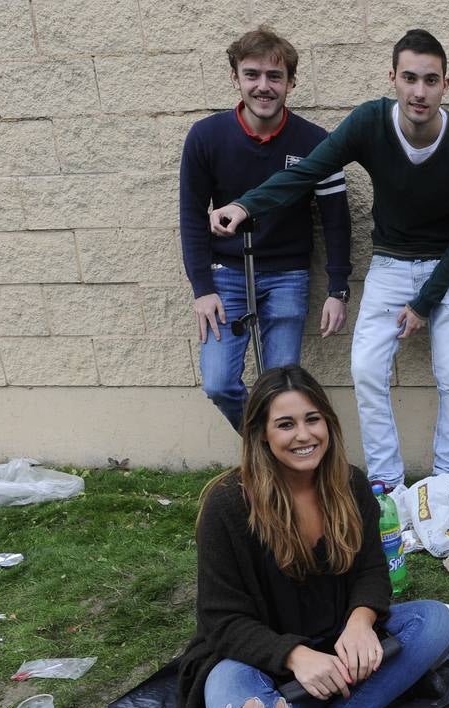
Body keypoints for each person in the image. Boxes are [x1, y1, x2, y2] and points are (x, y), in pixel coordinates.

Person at [211, 29, 449, 494]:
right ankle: (387, 482)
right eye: (410, 78)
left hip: (447, 267)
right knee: (365, 370)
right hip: (390, 264)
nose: (419, 91)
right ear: (393, 79)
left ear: (446, 84)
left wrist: (423, 304)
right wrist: (245, 207)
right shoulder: (369, 123)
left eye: (430, 80)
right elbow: (307, 171)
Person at [175, 365, 449, 708]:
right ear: (260, 435)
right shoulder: (228, 505)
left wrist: (361, 621)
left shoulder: (349, 484)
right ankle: (379, 689)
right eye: (285, 424)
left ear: (328, 423)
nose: (303, 436)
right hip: (258, 658)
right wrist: (296, 657)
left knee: (435, 622)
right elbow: (221, 620)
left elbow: (371, 571)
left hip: (338, 642)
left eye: (312, 420)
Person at [179, 27, 352, 432]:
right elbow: (190, 215)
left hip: (288, 274)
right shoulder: (206, 136)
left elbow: (336, 219)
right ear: (235, 78)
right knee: (219, 382)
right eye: (252, 74)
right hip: (226, 276)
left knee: (283, 391)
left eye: (275, 77)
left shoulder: (315, 141)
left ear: (291, 82)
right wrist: (202, 289)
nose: (263, 86)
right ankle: (267, 449)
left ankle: (281, 462)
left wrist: (337, 289)